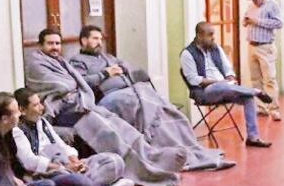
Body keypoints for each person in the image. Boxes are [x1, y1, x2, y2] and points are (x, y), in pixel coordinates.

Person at [24, 28, 188, 186]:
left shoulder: (60, 62)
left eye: (58, 43)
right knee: (108, 131)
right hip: (63, 112)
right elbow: (62, 84)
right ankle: (143, 169)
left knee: (119, 124)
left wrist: (75, 86)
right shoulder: (36, 64)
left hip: (81, 104)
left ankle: (151, 155)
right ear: (40, 45)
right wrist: (79, 83)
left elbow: (74, 83)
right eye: (50, 43)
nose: (55, 47)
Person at [68, 25, 232, 170]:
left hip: (132, 89)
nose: (99, 42)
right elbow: (81, 82)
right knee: (142, 107)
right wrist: (105, 73)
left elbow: (128, 67)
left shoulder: (107, 57)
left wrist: (123, 67)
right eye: (95, 39)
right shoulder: (77, 61)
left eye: (100, 39)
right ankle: (161, 154)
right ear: (83, 41)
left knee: (164, 108)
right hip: (110, 97)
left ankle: (186, 148)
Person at [11, 88, 133, 186]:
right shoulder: (17, 131)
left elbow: (62, 145)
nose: (42, 108)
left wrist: (75, 161)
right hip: (49, 172)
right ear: (22, 110)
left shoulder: (42, 122)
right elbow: (30, 162)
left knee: (115, 161)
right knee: (76, 180)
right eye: (36, 105)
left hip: (66, 164)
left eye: (40, 103)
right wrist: (64, 167)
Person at [179, 21, 273, 148]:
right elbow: (193, 80)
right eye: (210, 35)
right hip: (204, 92)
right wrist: (219, 82)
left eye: (214, 34)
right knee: (221, 85)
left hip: (226, 88)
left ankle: (253, 137)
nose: (213, 37)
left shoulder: (215, 48)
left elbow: (228, 69)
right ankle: (255, 91)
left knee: (247, 98)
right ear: (199, 36)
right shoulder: (187, 54)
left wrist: (230, 78)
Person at [243, 0, 284, 120]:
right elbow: (247, 18)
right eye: (252, 0)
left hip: (265, 46)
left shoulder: (272, 5)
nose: (254, 2)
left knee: (269, 79)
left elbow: (278, 23)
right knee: (255, 79)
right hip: (252, 45)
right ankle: (261, 108)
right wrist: (246, 21)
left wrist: (258, 21)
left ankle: (274, 109)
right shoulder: (251, 7)